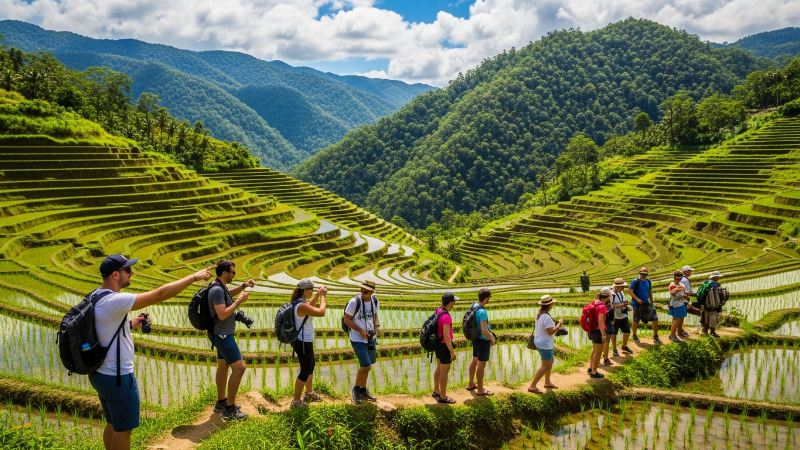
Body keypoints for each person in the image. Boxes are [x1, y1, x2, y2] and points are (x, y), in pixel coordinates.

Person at [91, 254, 214, 450]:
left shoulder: (95, 295)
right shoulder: (115, 300)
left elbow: (102, 328)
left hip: (99, 373)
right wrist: (193, 277)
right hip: (118, 377)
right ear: (115, 274)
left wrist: (130, 325)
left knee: (113, 422)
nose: (132, 273)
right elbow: (159, 294)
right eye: (127, 270)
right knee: (123, 429)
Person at [209, 259, 255, 421]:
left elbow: (227, 294)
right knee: (239, 368)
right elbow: (222, 314)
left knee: (223, 366)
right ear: (225, 273)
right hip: (223, 335)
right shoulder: (217, 290)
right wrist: (238, 301)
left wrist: (243, 286)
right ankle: (229, 409)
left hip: (220, 334)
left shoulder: (220, 287)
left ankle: (221, 401)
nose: (234, 274)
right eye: (233, 272)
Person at [290, 279, 328, 408]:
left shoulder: (300, 303)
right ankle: (296, 401)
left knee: (310, 366)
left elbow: (309, 308)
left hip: (304, 340)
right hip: (302, 342)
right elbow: (321, 312)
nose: (312, 292)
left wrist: (317, 295)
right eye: (311, 290)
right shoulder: (301, 305)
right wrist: (322, 297)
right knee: (305, 370)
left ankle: (309, 393)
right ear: (306, 291)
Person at [344, 280, 381, 404]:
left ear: (372, 292)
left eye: (365, 291)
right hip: (357, 338)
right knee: (366, 365)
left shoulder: (374, 300)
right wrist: (360, 330)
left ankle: (363, 390)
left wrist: (377, 325)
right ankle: (355, 390)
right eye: (361, 290)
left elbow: (375, 315)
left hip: (370, 338)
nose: (362, 293)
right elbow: (347, 320)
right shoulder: (354, 302)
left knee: (368, 366)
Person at [528, 295, 564, 393]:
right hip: (545, 344)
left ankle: (547, 382)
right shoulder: (546, 317)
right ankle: (532, 386)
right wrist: (559, 324)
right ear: (550, 304)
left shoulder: (539, 313)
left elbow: (546, 328)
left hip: (540, 341)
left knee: (549, 362)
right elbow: (550, 331)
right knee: (546, 365)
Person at [467, 288, 495, 395]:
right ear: (486, 298)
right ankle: (480, 390)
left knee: (474, 360)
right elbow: (484, 329)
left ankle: (471, 384)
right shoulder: (482, 312)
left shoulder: (474, 306)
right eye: (489, 297)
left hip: (475, 338)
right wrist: (491, 338)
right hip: (483, 340)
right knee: (481, 366)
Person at [432, 293, 459, 403]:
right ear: (451, 303)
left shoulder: (438, 310)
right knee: (444, 372)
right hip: (444, 346)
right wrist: (451, 352)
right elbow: (447, 336)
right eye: (454, 302)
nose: (454, 304)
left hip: (438, 345)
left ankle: (436, 391)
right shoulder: (446, 317)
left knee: (439, 368)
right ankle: (443, 396)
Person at [628, 267, 662, 345]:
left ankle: (655, 335)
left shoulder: (648, 281)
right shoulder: (635, 281)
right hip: (637, 304)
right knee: (636, 320)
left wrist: (651, 300)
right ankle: (634, 335)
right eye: (642, 274)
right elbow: (630, 291)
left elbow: (650, 291)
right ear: (640, 273)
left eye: (645, 274)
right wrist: (637, 299)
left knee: (655, 318)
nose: (643, 275)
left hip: (647, 303)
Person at [609, 278, 633, 357]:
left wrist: (626, 305)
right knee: (614, 333)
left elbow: (624, 301)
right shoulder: (611, 294)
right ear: (616, 287)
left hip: (623, 315)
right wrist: (619, 306)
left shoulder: (621, 292)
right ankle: (614, 349)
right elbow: (609, 305)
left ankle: (624, 345)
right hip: (615, 317)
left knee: (627, 331)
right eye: (622, 286)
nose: (623, 287)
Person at [587, 291, 608, 378]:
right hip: (598, 330)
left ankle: (591, 368)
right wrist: (603, 334)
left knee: (594, 350)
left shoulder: (594, 303)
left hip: (591, 330)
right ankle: (594, 372)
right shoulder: (602, 306)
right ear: (606, 297)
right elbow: (600, 321)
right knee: (598, 352)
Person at [700, 271, 724, 338]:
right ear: (715, 277)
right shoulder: (715, 285)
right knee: (713, 318)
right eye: (718, 277)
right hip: (713, 304)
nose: (718, 278)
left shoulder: (705, 283)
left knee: (705, 318)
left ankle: (705, 332)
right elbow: (716, 296)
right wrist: (717, 304)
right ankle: (712, 332)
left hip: (704, 304)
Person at [668, 270, 689, 343]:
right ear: (674, 277)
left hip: (681, 303)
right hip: (676, 304)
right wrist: (678, 290)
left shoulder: (681, 285)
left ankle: (674, 334)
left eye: (680, 278)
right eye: (677, 278)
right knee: (676, 320)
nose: (678, 280)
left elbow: (683, 292)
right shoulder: (672, 285)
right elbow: (674, 294)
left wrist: (686, 294)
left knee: (677, 319)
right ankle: (672, 335)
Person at [681, 265, 700, 336]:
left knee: (679, 316)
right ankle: (680, 330)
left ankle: (680, 330)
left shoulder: (682, 279)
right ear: (686, 271)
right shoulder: (684, 280)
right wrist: (696, 295)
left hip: (681, 300)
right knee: (681, 316)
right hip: (683, 300)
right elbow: (686, 292)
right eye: (690, 271)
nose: (690, 272)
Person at [600, 288, 615, 366]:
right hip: (605, 324)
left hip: (602, 324)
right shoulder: (603, 305)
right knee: (606, 342)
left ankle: (602, 358)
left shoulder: (597, 303)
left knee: (600, 342)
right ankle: (605, 358)